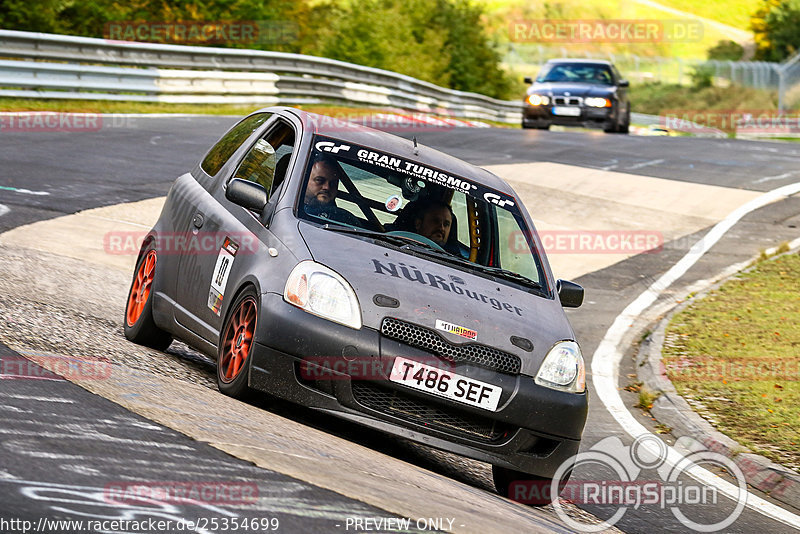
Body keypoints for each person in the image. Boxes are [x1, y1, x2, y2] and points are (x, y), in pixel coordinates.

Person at [303, 157, 360, 226]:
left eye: (333, 183)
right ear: (304, 181)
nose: (327, 187)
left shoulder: (345, 218)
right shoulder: (290, 212)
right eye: (319, 180)